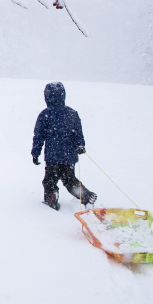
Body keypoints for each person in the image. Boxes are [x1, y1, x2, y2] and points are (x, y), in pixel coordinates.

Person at [31, 82, 96, 211]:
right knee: (69, 180)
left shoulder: (45, 114)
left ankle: (51, 199)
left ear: (47, 97)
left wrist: (35, 153)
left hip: (53, 156)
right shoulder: (72, 113)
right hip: (69, 156)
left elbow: (39, 136)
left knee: (49, 180)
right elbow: (78, 133)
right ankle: (86, 196)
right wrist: (80, 145)